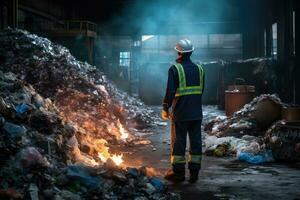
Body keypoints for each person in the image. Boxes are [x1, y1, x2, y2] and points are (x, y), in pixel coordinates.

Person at [162, 39, 205, 183]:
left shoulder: (174, 69)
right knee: (196, 142)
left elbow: (170, 91)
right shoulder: (200, 69)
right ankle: (194, 174)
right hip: (196, 113)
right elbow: (201, 91)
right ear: (192, 52)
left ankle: (179, 174)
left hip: (181, 113)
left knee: (179, 143)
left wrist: (165, 107)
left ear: (178, 52)